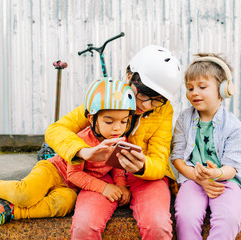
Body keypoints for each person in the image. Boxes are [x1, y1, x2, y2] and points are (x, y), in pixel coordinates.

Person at [0, 77, 136, 235]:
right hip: (54, 170)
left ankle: (9, 210)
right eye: (109, 121)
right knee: (26, 194)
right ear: (91, 119)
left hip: (71, 188)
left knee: (64, 204)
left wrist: (121, 186)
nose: (117, 128)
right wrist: (104, 188)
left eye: (124, 121)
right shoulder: (82, 139)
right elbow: (73, 174)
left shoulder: (120, 139)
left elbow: (117, 166)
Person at [45, 45, 183, 239]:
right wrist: (83, 152)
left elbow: (159, 161)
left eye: (156, 100)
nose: (145, 105)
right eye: (142, 94)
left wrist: (143, 166)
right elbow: (55, 130)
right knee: (84, 226)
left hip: (144, 177)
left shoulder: (164, 110)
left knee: (158, 226)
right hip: (100, 174)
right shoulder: (107, 95)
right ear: (129, 76)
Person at [171, 53, 241, 240]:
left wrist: (215, 174)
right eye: (190, 88)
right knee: (186, 216)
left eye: (202, 87)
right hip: (192, 179)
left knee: (228, 218)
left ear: (223, 90)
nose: (194, 92)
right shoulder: (183, 119)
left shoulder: (234, 126)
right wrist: (200, 178)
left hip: (225, 182)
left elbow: (232, 167)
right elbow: (177, 158)